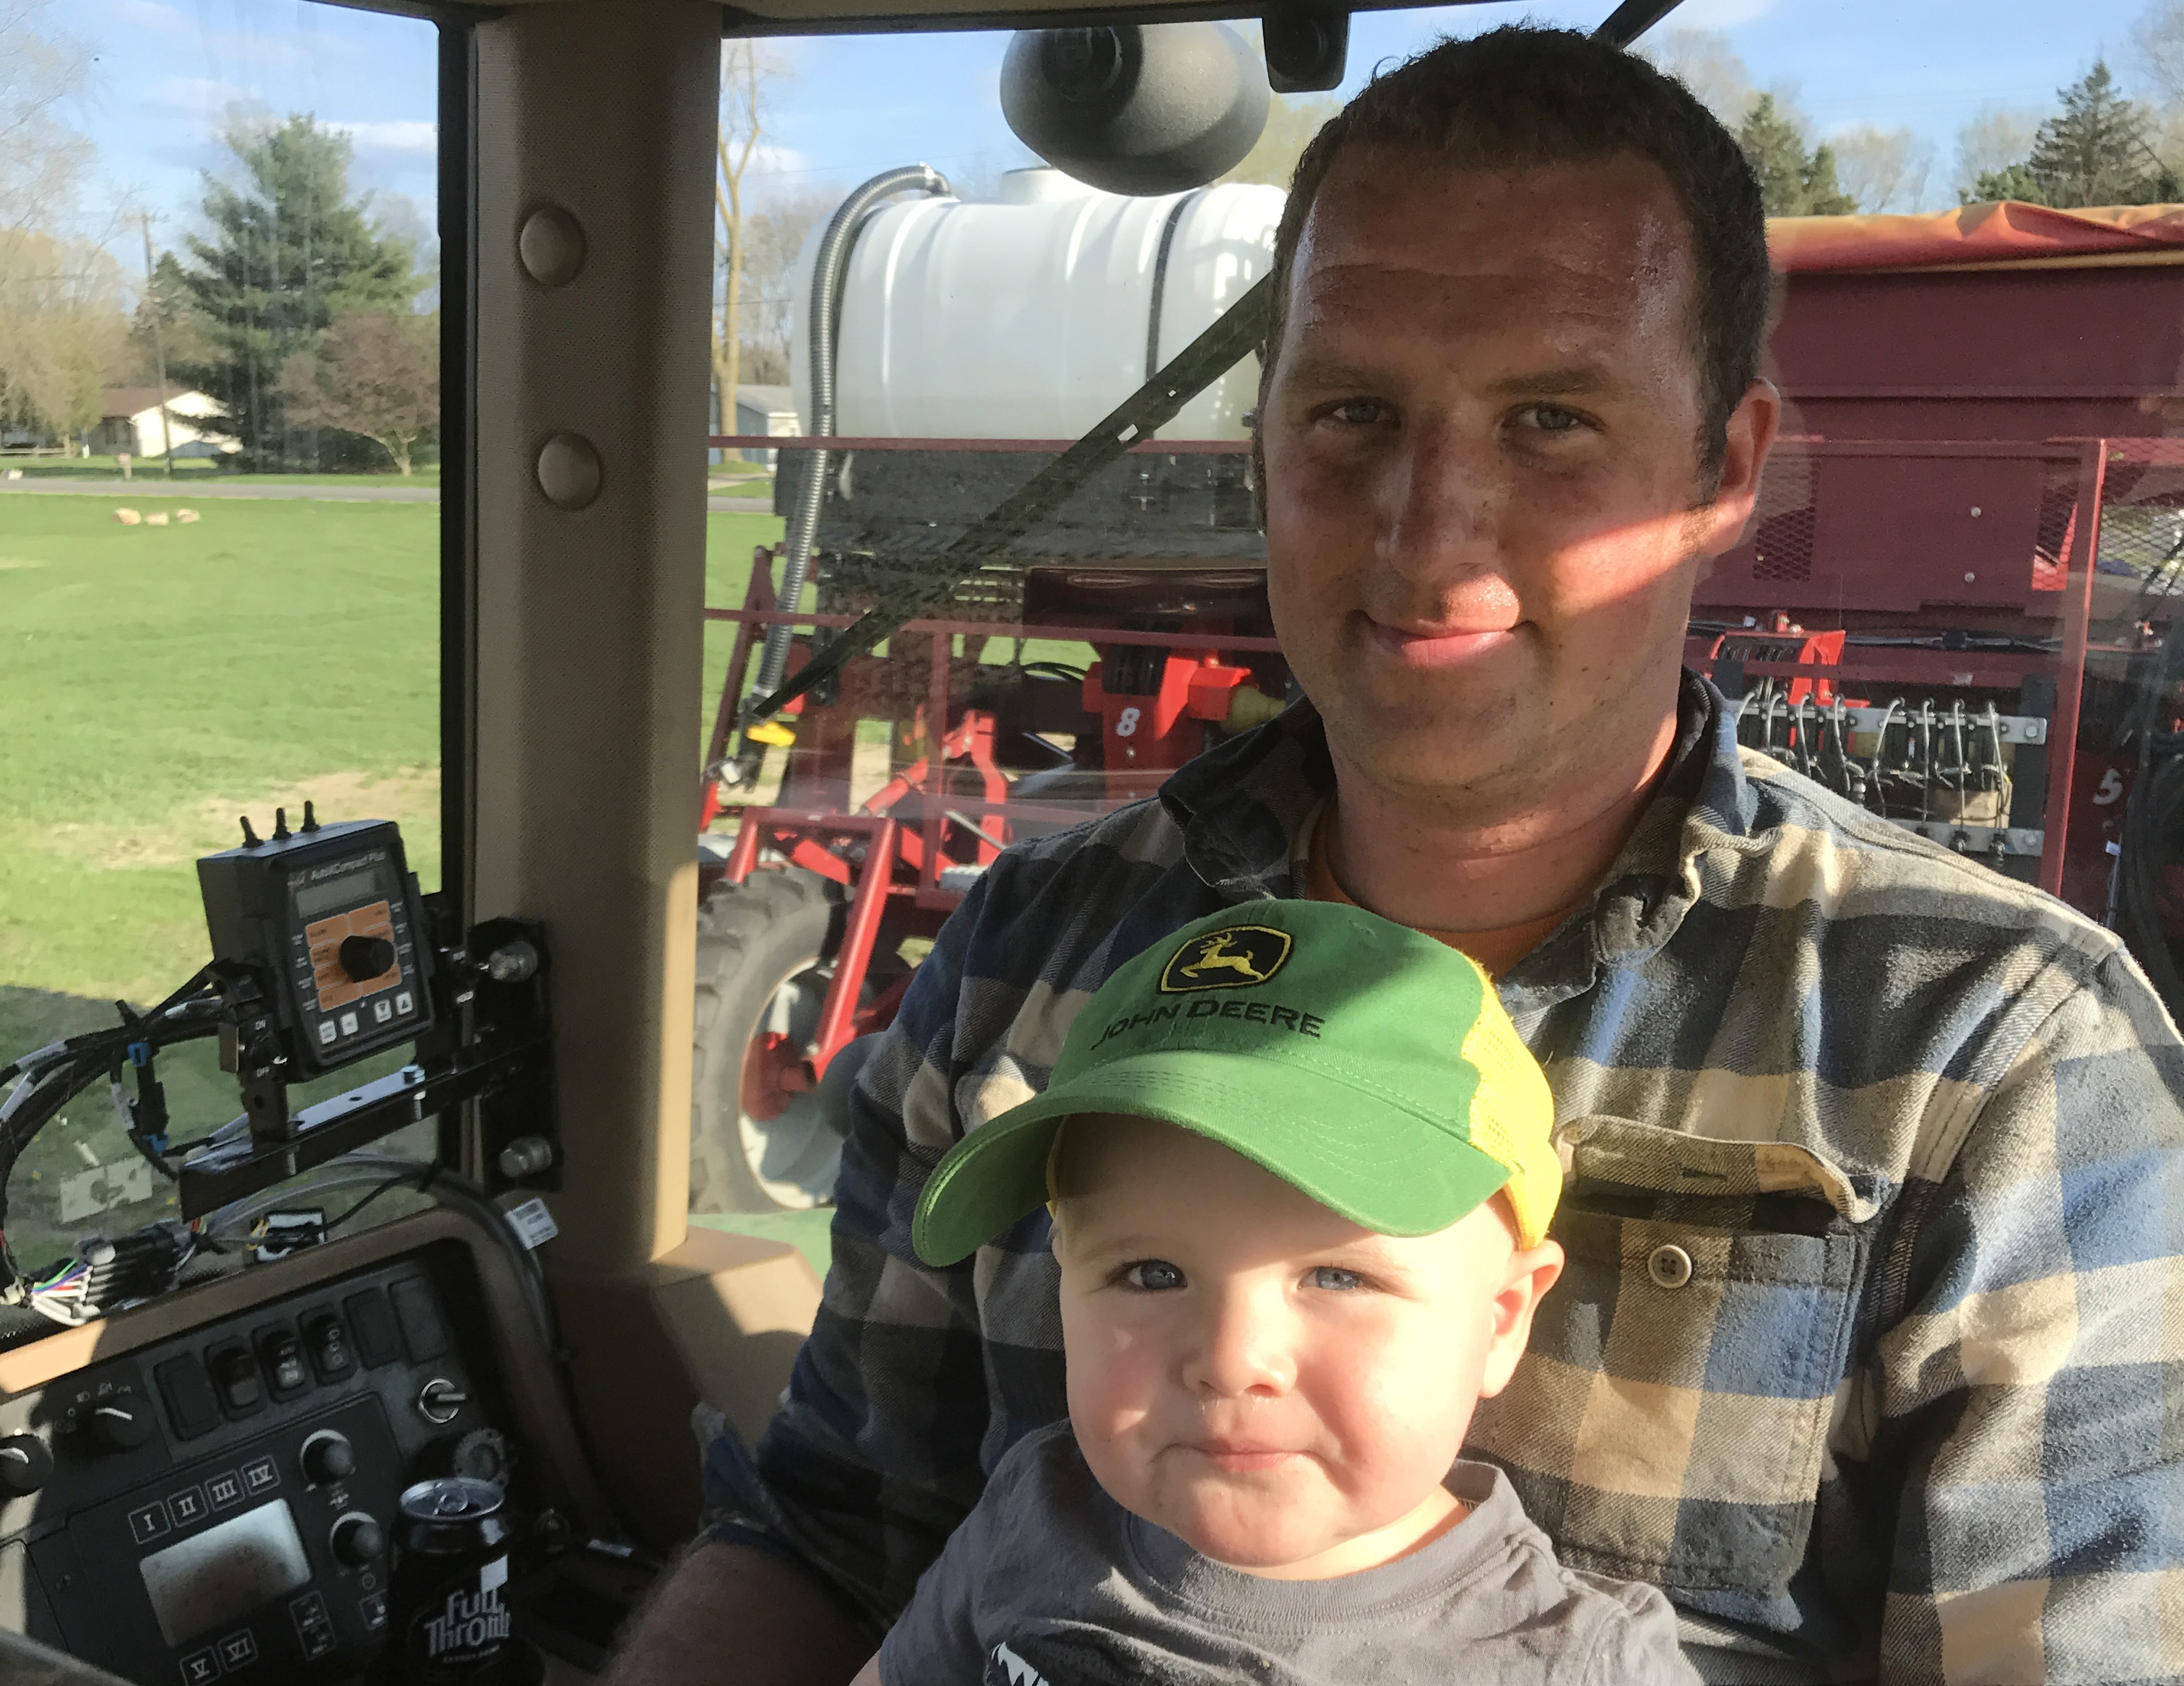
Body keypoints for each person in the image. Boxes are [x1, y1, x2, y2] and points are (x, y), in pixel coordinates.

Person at [609, 25, 2184, 1686]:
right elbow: (834, 1539)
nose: (1429, 529)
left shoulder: (1992, 1055)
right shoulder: (1023, 963)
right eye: (1354, 409)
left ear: (1726, 467)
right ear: (1263, 435)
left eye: (1554, 421)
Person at [852, 898, 1698, 1685]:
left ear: (1503, 1319)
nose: (1230, 1360)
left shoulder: (1576, 1664)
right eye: (1150, 1274)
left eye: (1339, 1275)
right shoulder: (1035, 1515)